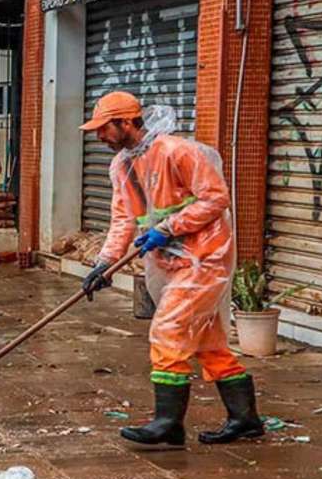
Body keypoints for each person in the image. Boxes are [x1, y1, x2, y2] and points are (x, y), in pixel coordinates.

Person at [80, 91, 262, 446]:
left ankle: (168, 423)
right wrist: (104, 264)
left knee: (169, 329)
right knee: (207, 342)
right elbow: (123, 219)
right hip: (171, 260)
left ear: (127, 122)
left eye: (104, 128)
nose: (99, 136)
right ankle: (245, 418)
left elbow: (216, 198)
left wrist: (167, 228)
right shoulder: (121, 165)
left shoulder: (179, 151)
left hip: (205, 257)